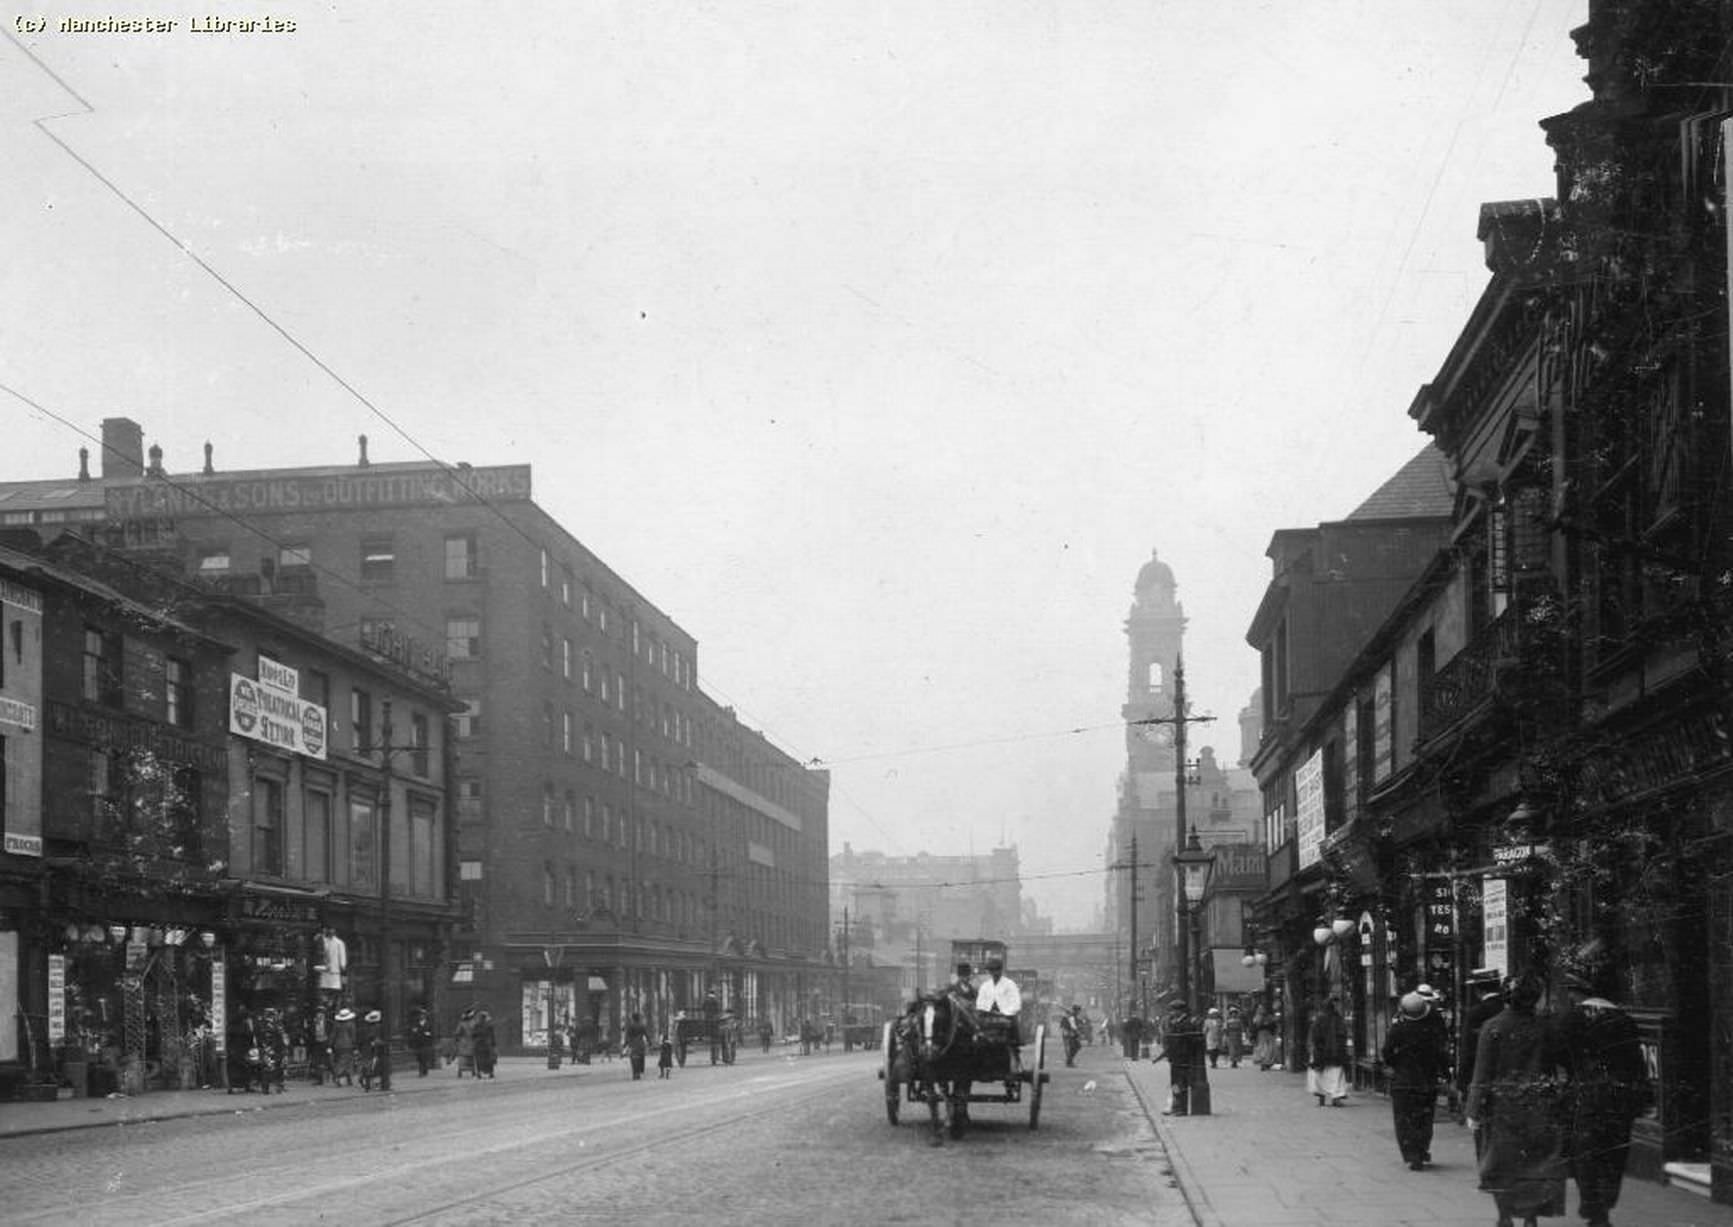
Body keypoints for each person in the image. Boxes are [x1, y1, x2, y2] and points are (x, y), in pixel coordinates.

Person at [1466, 970, 1569, 1227]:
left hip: (1502, 1107)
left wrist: (1473, 1110)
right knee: (1535, 1164)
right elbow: (1562, 1063)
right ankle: (1531, 1218)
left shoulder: (1493, 1027)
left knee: (1500, 1164)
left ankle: (1504, 1216)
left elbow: (1482, 1072)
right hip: (1540, 1105)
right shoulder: (1545, 1028)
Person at [1557, 972, 1649, 1227]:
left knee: (1584, 1153)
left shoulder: (1571, 1018)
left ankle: (1593, 1206)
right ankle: (1605, 1203)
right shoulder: (1624, 1019)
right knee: (1614, 1152)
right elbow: (1635, 1062)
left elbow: (1560, 1054)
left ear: (1578, 992)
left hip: (1585, 1096)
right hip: (1619, 1098)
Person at [1382, 990, 1450, 1170]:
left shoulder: (1398, 1029)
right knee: (1424, 1118)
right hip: (1426, 1081)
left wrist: (1397, 1064)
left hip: (1403, 1081)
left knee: (1404, 1119)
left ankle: (1411, 1152)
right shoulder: (1431, 1030)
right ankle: (1421, 1149)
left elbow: (1386, 1053)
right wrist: (1446, 1074)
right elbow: (1440, 1054)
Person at [1458, 968, 1506, 1122]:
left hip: (1482, 1078)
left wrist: (1462, 1083)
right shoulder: (1507, 1009)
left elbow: (1468, 1051)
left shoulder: (1475, 1013)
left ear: (1478, 990)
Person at [1154, 997, 1202, 1116]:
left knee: (1182, 1084)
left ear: (1181, 1011)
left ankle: (1182, 1108)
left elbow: (1189, 1041)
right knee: (1175, 1083)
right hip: (1175, 1058)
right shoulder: (1175, 1022)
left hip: (1183, 1058)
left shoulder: (1187, 1024)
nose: (1172, 1013)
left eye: (1174, 1010)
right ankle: (1175, 1106)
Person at [1307, 997, 1350, 1106]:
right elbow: (1342, 1034)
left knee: (1321, 1074)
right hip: (1333, 1052)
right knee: (1335, 1074)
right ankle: (1335, 1097)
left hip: (1323, 1052)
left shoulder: (1320, 1019)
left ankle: (1322, 1097)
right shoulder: (1336, 1019)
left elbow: (1315, 1035)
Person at [330, 1006, 357, 1087]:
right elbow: (353, 1036)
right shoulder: (351, 1025)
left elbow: (333, 1035)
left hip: (337, 1046)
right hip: (348, 1045)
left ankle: (344, 1078)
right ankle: (343, 1077)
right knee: (347, 1061)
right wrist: (355, 1045)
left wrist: (330, 1045)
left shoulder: (336, 1025)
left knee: (340, 1061)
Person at [408, 1006, 437, 1077]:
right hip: (418, 1043)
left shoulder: (429, 1024)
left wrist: (429, 1034)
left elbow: (432, 1033)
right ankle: (422, 1070)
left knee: (424, 1057)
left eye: (423, 1015)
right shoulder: (416, 1023)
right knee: (419, 1057)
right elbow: (413, 1032)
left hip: (426, 1043)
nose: (421, 1016)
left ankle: (423, 1071)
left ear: (425, 1016)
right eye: (420, 1015)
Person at [1251, 1003, 1279, 1070]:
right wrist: (1253, 1036)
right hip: (1261, 1035)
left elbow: (1274, 1025)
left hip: (1269, 1035)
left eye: (1262, 1008)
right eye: (1259, 1009)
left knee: (1270, 1049)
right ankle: (1264, 1063)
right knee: (1263, 1049)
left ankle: (1268, 1063)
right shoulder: (1256, 1017)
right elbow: (1254, 1027)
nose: (1261, 1010)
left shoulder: (1270, 1017)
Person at [453, 1006, 478, 1077]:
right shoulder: (473, 1022)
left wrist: (457, 1038)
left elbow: (457, 1032)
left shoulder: (462, 1023)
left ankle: (462, 1070)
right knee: (469, 1057)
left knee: (464, 1057)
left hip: (464, 1042)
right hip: (469, 1042)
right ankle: (471, 1070)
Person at [473, 1009, 497, 1078]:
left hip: (479, 1045)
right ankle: (490, 1072)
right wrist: (494, 1044)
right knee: (488, 1059)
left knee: (479, 1059)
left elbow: (473, 1035)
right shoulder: (489, 1026)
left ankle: (479, 1072)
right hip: (487, 1045)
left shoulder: (477, 1025)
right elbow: (492, 1036)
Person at [625, 1012, 649, 1080]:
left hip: (633, 1044)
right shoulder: (642, 1026)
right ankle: (639, 1072)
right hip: (641, 1044)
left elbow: (627, 1036)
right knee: (641, 1058)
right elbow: (646, 1035)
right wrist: (650, 1042)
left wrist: (625, 1044)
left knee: (633, 1059)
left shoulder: (630, 1026)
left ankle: (635, 1073)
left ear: (632, 1018)